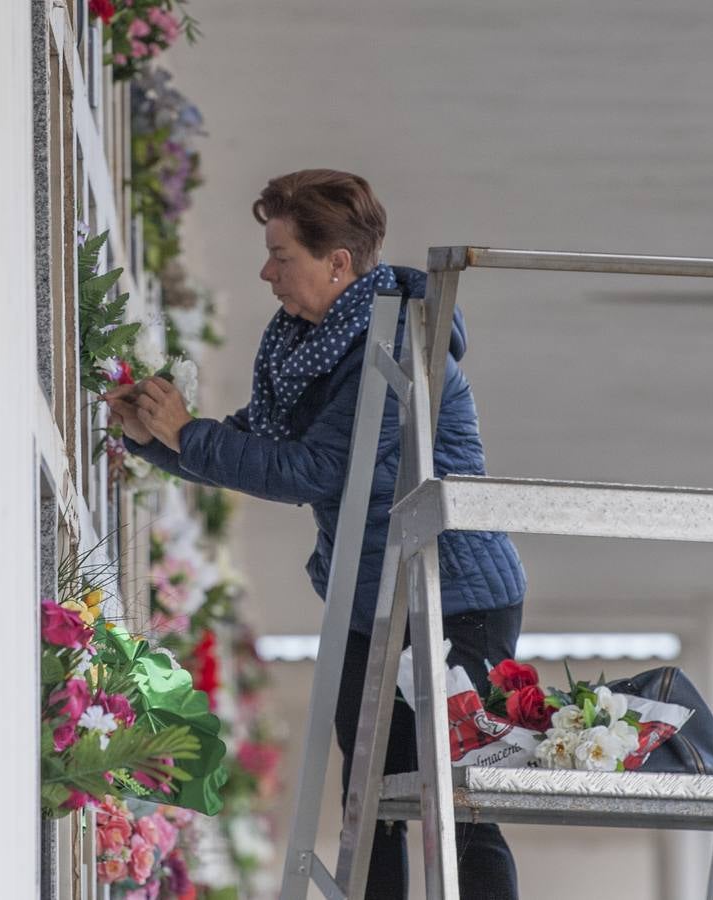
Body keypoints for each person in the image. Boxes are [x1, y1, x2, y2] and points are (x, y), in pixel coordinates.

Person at [104, 169, 526, 899]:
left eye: (282, 255)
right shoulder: (306, 344)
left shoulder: (400, 348)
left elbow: (316, 471)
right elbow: (254, 448)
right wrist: (150, 437)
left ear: (338, 263)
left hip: (453, 597)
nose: (266, 272)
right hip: (373, 601)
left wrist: (188, 435)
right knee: (372, 799)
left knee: (453, 797)